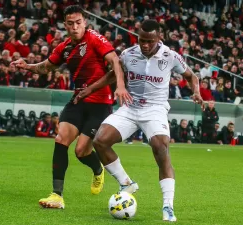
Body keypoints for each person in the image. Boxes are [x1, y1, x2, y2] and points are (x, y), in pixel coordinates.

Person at [74, 19, 203, 222]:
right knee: (100, 140)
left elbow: (192, 76)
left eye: (149, 41)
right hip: (130, 107)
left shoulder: (170, 56)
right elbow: (111, 76)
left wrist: (196, 92)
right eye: (141, 40)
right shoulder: (128, 54)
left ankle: (168, 205)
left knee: (160, 147)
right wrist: (88, 90)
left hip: (155, 109)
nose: (144, 45)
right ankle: (126, 183)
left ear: (158, 38)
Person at [11, 5, 131, 209]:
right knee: (60, 139)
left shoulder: (95, 39)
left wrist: (120, 85)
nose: (75, 27)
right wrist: (27, 66)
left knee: (81, 151)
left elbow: (115, 61)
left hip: (100, 103)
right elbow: (46, 67)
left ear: (85, 22)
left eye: (78, 22)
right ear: (65, 25)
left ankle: (97, 169)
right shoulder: (65, 47)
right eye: (70, 23)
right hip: (77, 100)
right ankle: (57, 195)